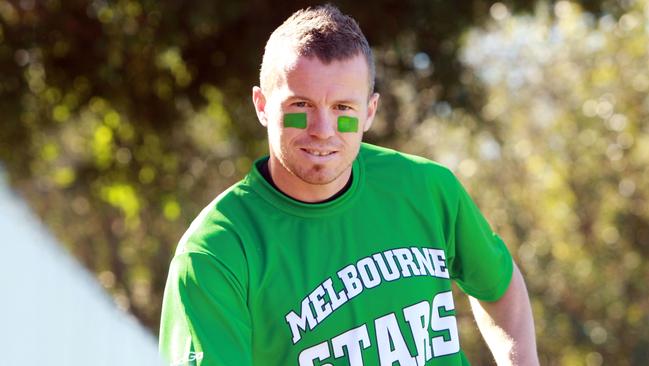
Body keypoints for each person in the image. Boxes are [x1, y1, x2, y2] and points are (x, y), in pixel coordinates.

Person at [159, 4, 539, 366]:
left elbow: (500, 287)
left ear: (369, 111)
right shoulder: (216, 253)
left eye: (342, 108)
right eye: (300, 106)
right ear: (261, 105)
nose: (322, 131)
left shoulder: (428, 189)